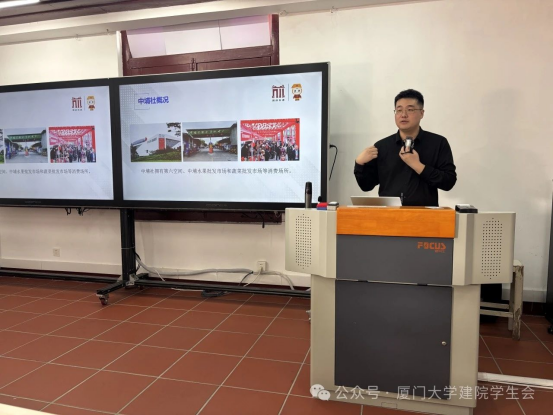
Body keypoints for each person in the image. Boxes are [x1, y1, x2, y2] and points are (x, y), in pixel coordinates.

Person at [354, 89, 457, 207]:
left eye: (410, 109)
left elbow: (448, 182)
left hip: (425, 214)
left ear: (421, 113)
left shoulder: (438, 143)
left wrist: (418, 166)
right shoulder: (382, 146)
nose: (403, 115)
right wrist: (359, 164)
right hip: (389, 214)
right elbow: (366, 186)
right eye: (399, 110)